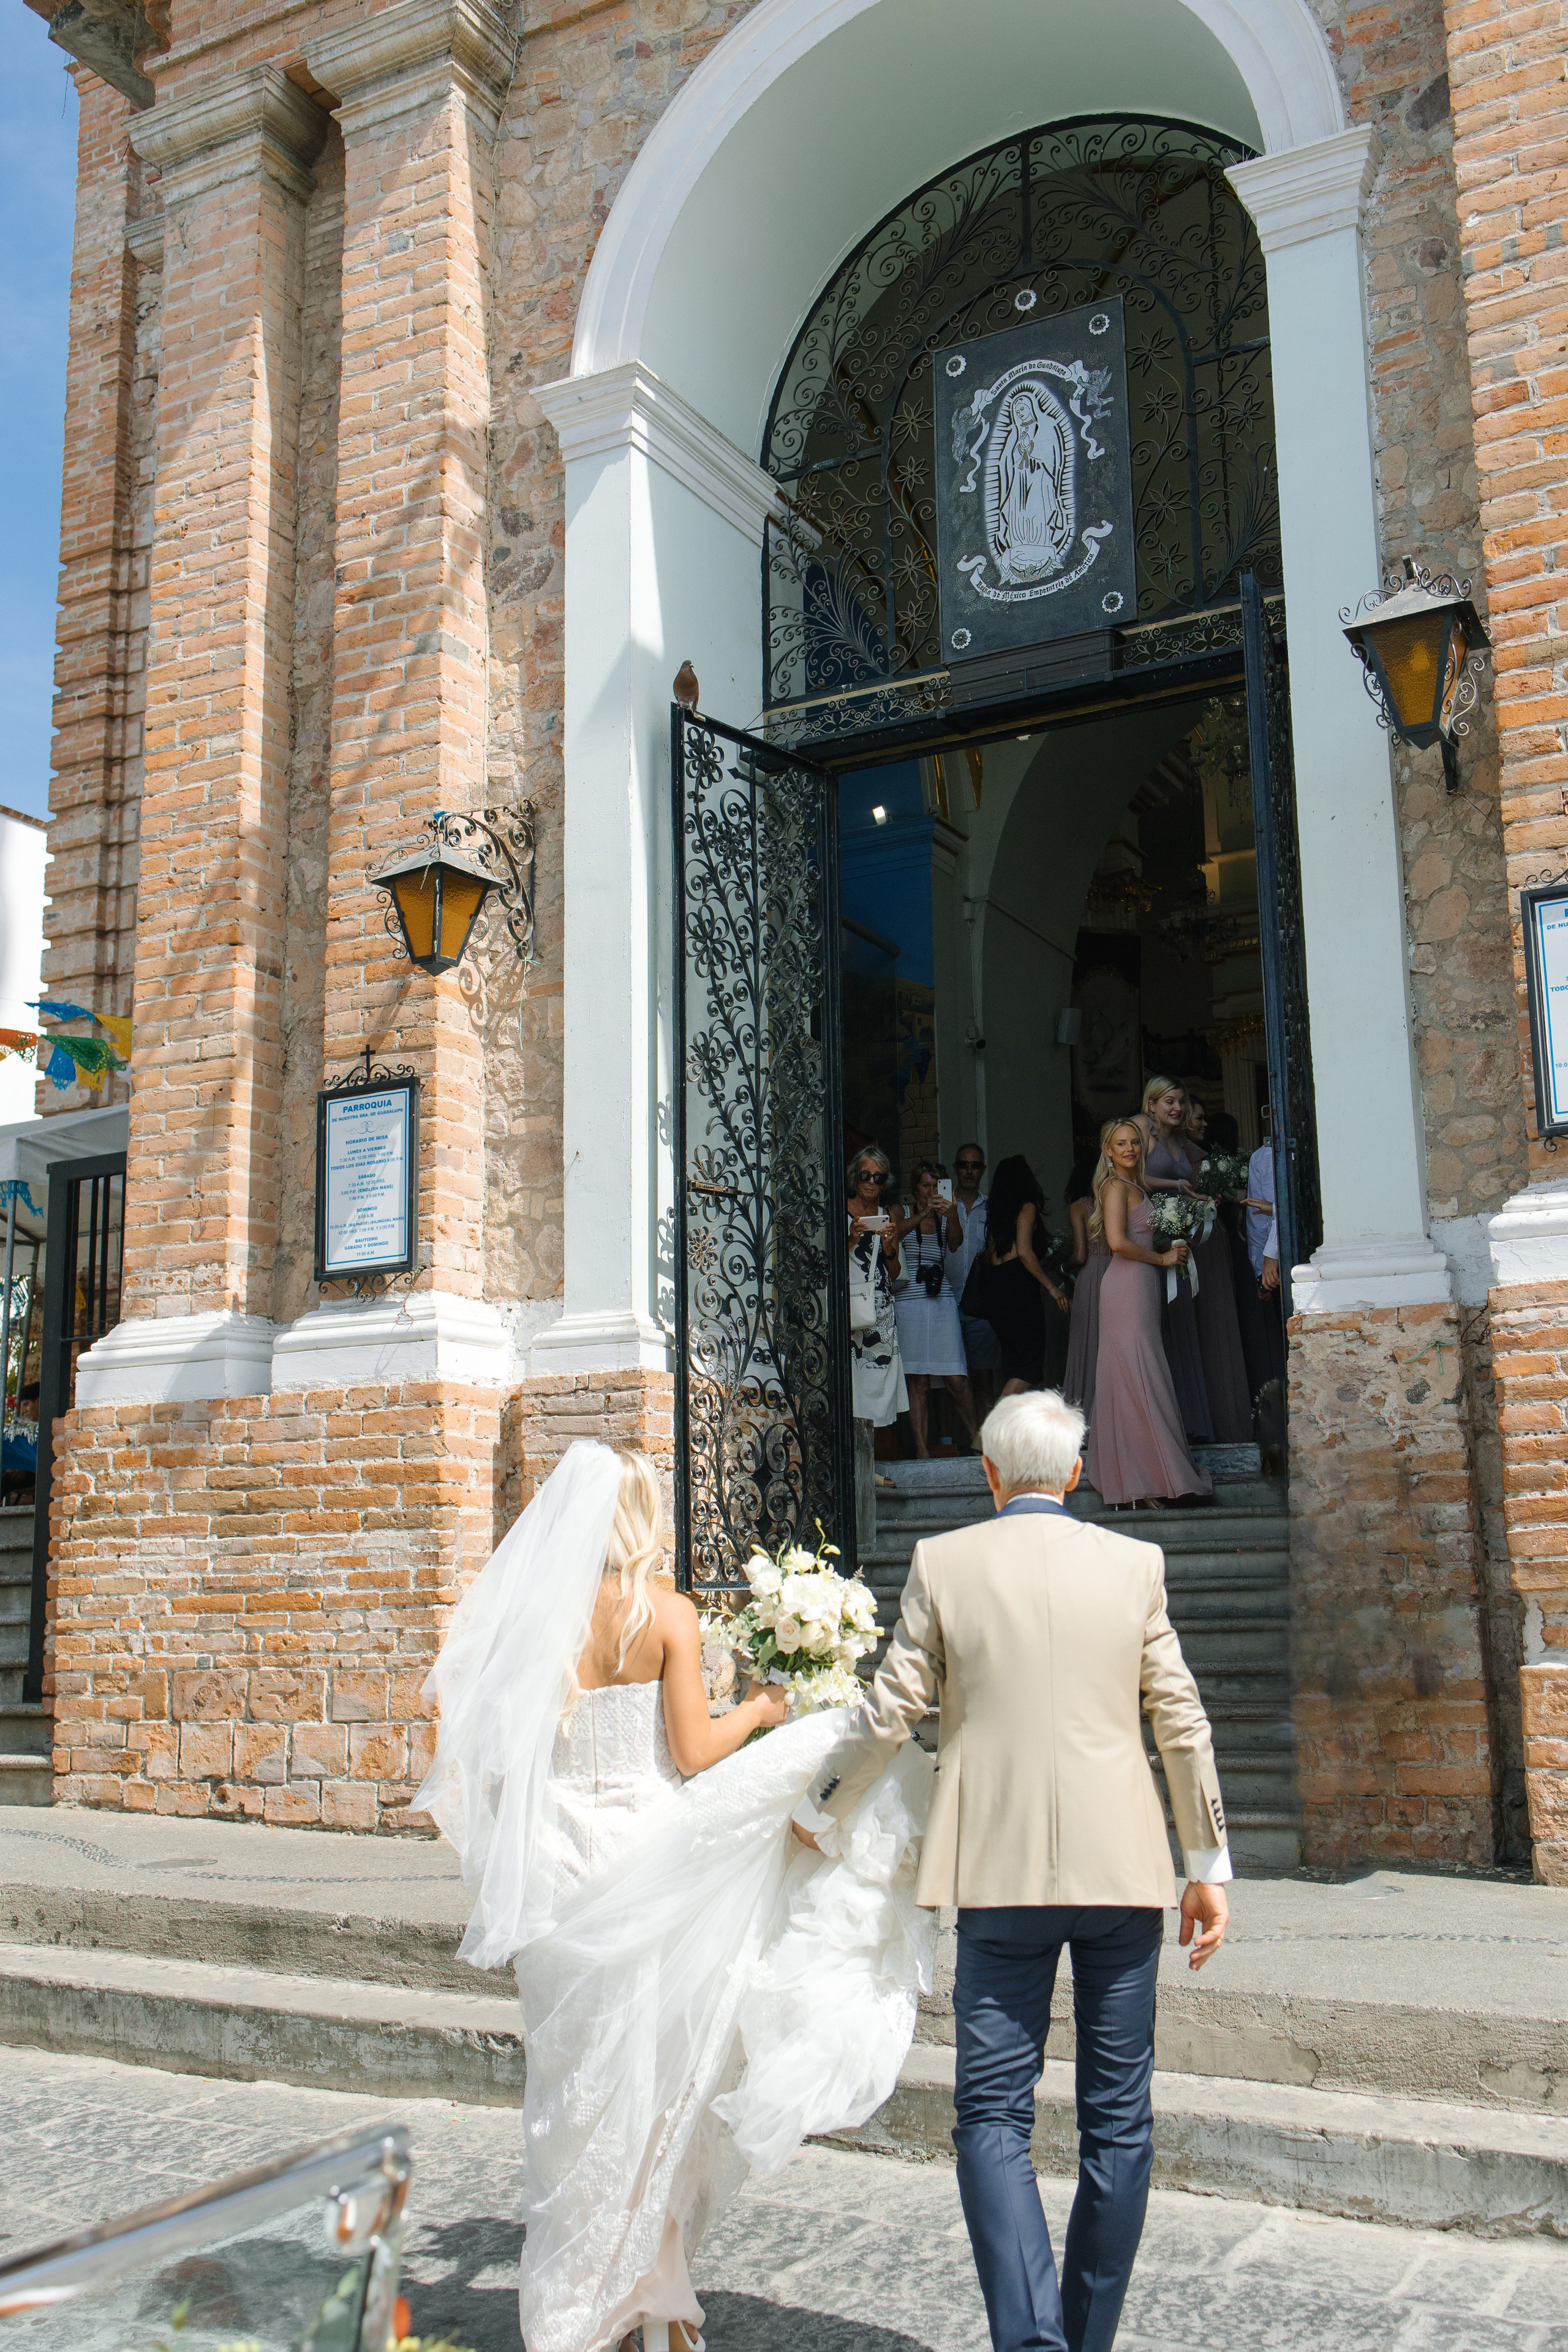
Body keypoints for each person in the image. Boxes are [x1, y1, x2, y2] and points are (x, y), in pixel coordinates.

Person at [416, 1442, 935, 2352]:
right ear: (645, 1516)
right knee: (656, 2095)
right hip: (647, 1869)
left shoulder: (535, 1625)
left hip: (556, 1879)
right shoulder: (667, 1616)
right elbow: (696, 1754)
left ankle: (584, 2302)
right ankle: (652, 2305)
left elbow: (501, 1758)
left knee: (571, 2095)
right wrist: (767, 1714)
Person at [794, 1389, 1231, 2352]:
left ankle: (1030, 2342)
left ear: (988, 1475)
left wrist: (817, 1806)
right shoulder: (1135, 1564)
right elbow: (1182, 1720)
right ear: (1075, 1474)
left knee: (991, 2113)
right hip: (1124, 1877)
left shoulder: (946, 1563)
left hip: (996, 1873)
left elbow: (889, 1711)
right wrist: (1206, 1862)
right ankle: (1085, 2337)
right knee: (1120, 2119)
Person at [1082, 1120, 1213, 1509]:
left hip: (1142, 1287)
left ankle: (1144, 1477)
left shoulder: (1136, 1184)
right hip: (1125, 1287)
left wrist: (1179, 1188)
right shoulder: (1114, 1187)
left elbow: (1151, 1183)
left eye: (1135, 1142)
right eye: (1120, 1144)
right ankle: (1141, 1480)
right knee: (1135, 1375)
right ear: (1107, 1150)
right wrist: (1162, 1257)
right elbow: (1118, 1242)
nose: (1129, 1149)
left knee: (1141, 1373)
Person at [1133, 1075, 1213, 1446]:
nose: (1177, 1108)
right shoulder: (1139, 1128)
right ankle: (1155, 1425)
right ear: (1151, 1105)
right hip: (1150, 1240)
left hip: (1179, 1238)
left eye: (1181, 1102)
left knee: (1181, 1321)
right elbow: (1131, 1178)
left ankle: (1187, 1419)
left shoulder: (1181, 1138)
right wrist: (1176, 1186)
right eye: (1169, 1102)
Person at [891, 1159, 981, 1455]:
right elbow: (893, 1235)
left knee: (957, 1378)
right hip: (909, 1302)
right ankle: (921, 1449)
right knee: (918, 1383)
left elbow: (955, 1244)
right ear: (915, 1187)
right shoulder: (900, 1211)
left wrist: (952, 1215)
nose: (931, 1191)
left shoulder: (945, 1215)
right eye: (926, 1185)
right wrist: (923, 1214)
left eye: (936, 1185)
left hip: (942, 1300)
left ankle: (977, 1438)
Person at [1178, 1095, 1253, 1444]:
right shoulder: (1186, 1158)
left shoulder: (1203, 1158)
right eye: (1198, 1119)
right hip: (1195, 1244)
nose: (1203, 1124)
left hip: (1209, 1241)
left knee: (1215, 1320)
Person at [965, 1154, 1070, 1397]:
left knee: (1016, 1367)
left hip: (996, 1288)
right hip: (1018, 1289)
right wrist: (1053, 1288)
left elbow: (989, 1254)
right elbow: (1024, 1252)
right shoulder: (1027, 1206)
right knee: (1027, 1369)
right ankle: (990, 1432)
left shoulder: (997, 1212)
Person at [847, 1147, 907, 1525]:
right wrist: (852, 1239)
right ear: (856, 1176)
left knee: (879, 1378)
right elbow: (822, 1258)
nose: (872, 1183)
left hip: (880, 1306)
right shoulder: (842, 1207)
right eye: (866, 1176)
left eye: (879, 1177)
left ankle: (868, 1463)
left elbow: (897, 1268)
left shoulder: (890, 1215)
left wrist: (888, 1247)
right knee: (851, 1382)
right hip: (850, 1305)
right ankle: (854, 1466)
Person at [948, 1141, 1002, 1419]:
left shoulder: (992, 1209)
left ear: (983, 1170)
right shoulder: (942, 1205)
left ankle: (986, 1441)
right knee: (945, 1377)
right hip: (944, 1300)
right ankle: (946, 1444)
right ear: (955, 1168)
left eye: (975, 1165)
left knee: (983, 1376)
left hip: (980, 1303)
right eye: (963, 1165)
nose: (969, 1171)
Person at [1062, 1154, 1109, 1420]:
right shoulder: (1115, 1199)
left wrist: (1062, 1267)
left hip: (1091, 1275)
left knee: (1087, 1343)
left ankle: (1084, 1418)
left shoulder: (1079, 1206)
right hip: (1117, 1271)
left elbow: (1080, 1255)